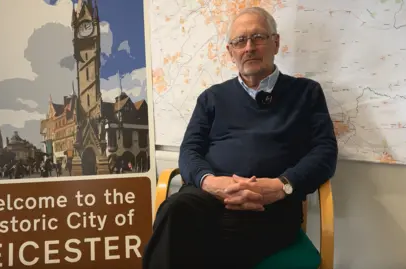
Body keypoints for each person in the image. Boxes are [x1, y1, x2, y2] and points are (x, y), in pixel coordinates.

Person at [142, 6, 338, 269]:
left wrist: (282, 186)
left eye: (258, 37)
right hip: (209, 198)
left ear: (275, 43)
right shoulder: (212, 98)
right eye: (239, 41)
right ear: (230, 52)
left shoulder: (306, 93)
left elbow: (325, 153)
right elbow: (189, 150)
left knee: (188, 239)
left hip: (269, 206)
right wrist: (210, 183)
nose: (249, 47)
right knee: (174, 210)